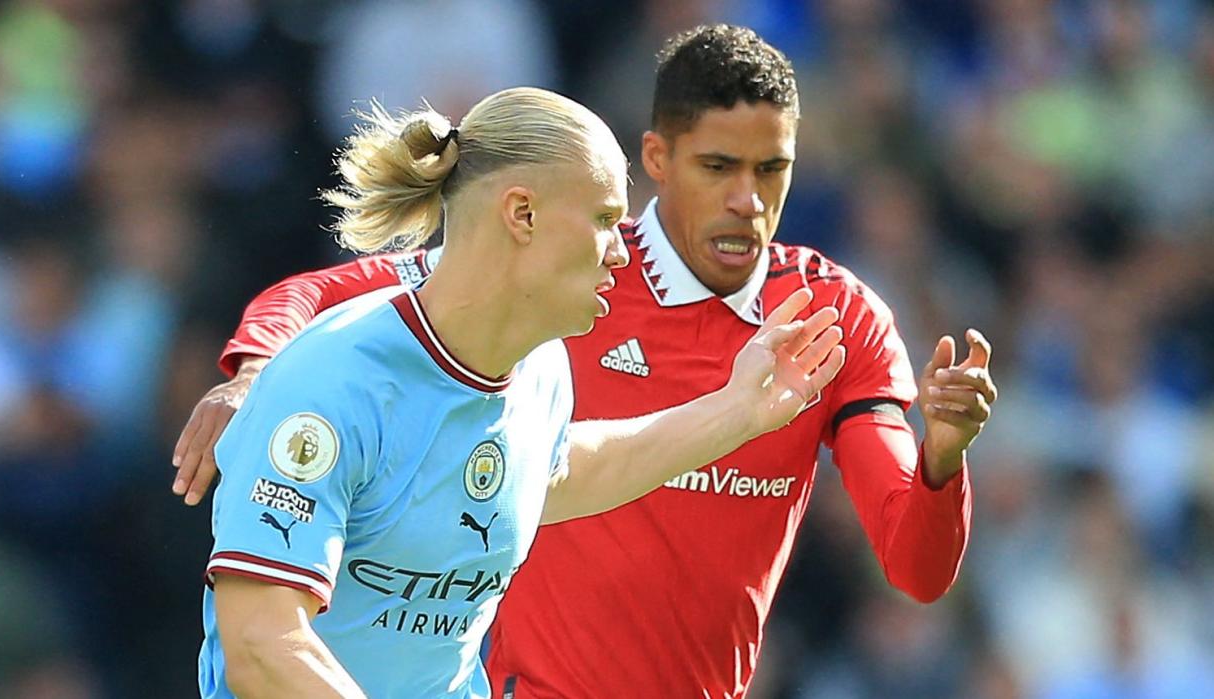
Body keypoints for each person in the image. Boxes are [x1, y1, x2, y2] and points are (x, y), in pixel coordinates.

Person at [176, 26, 997, 699]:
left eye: (771, 169)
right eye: (719, 167)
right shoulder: (385, 359)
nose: (747, 199)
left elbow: (569, 468)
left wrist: (768, 417)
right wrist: (253, 373)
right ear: (659, 160)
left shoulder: (558, 364)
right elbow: (325, 297)